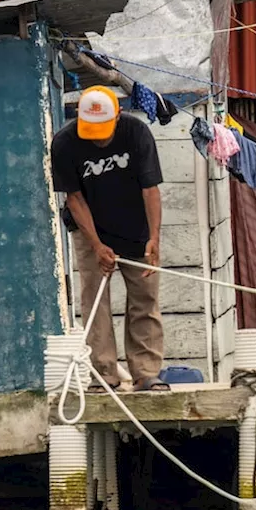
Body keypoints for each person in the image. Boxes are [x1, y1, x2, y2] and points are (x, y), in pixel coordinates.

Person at [51, 86, 166, 391]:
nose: (99, 139)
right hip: (90, 227)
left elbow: (150, 189)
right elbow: (74, 198)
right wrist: (96, 245)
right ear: (79, 118)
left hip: (137, 226)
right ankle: (104, 375)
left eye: (104, 130)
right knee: (95, 299)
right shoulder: (64, 143)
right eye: (92, 131)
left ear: (118, 115)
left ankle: (145, 372)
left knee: (145, 297)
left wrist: (154, 238)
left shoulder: (136, 133)